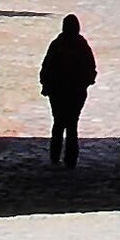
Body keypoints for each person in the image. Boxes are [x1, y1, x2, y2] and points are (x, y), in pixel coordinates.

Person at [40, 14, 97, 170]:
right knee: (71, 124)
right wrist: (86, 81)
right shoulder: (81, 45)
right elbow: (91, 68)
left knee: (59, 123)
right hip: (75, 91)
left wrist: (46, 84)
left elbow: (46, 67)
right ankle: (70, 159)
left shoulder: (57, 44)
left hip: (58, 91)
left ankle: (55, 155)